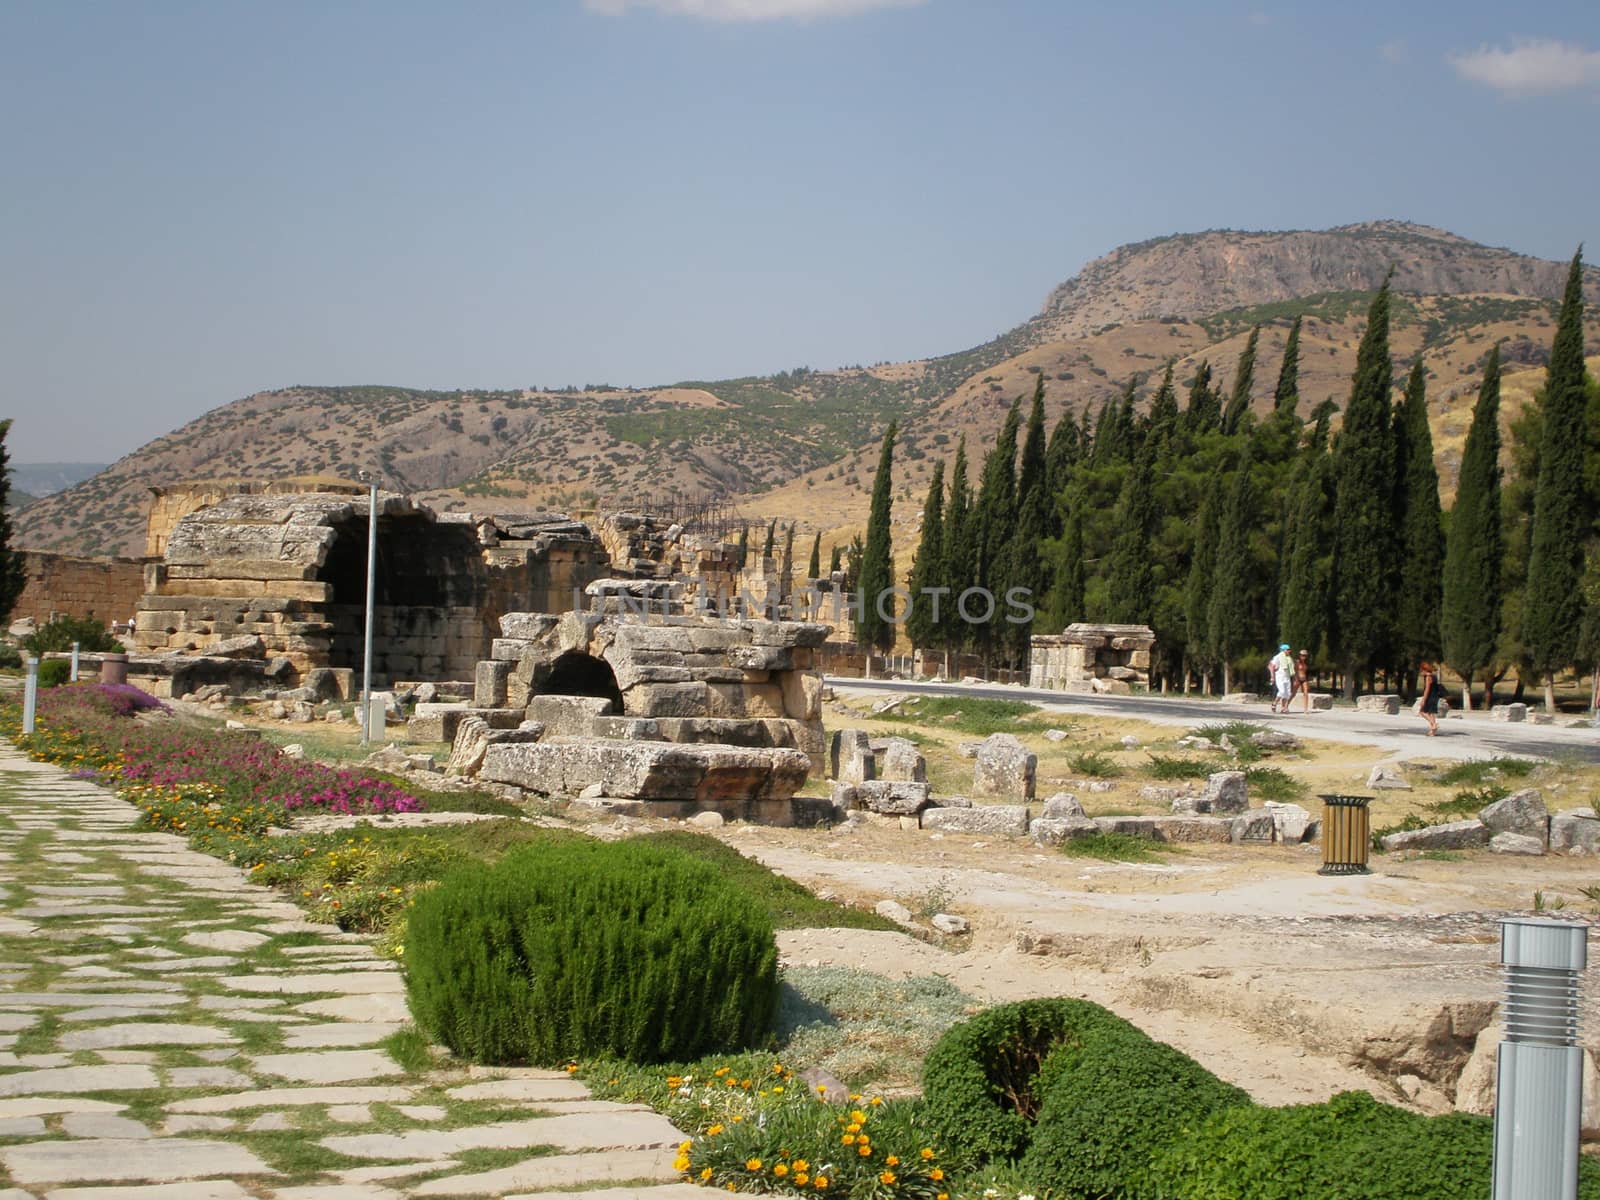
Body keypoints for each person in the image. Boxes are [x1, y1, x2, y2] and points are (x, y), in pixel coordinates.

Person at [1417, 659, 1440, 736]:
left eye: (1421, 670)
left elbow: (1427, 689)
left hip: (1430, 697)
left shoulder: (1428, 677)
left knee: (1422, 711)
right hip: (1435, 696)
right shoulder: (1434, 676)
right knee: (1431, 713)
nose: (1420, 672)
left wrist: (1423, 700)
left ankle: (1434, 724)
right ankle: (1432, 732)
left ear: (1423, 669)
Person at [1269, 643, 1294, 714]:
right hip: (1280, 677)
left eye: (1289, 649)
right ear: (1283, 650)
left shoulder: (1289, 658)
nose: (1289, 651)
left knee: (1287, 693)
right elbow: (1271, 666)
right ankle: (1275, 703)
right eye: (1288, 649)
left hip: (1287, 677)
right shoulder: (1277, 657)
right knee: (1282, 691)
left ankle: (1284, 708)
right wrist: (1272, 677)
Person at [1293, 649, 1311, 713]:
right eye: (1302, 655)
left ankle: (1305, 709)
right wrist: (1295, 678)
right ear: (1299, 655)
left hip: (1304, 679)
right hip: (1298, 678)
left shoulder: (1306, 663)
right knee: (1293, 694)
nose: (1304, 657)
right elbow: (1294, 671)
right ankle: (1286, 705)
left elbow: (1305, 671)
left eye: (1305, 655)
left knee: (1306, 693)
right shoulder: (1296, 662)